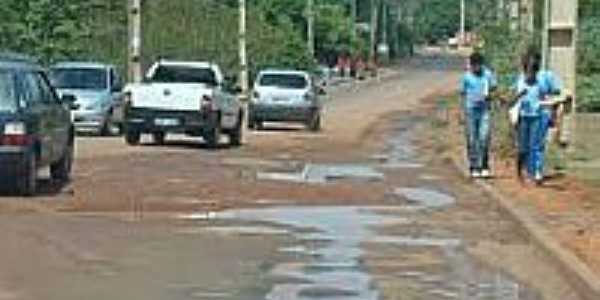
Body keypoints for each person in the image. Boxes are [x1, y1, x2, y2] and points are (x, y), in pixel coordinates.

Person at [514, 52, 561, 184]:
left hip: (536, 117)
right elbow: (514, 99)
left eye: (533, 73)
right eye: (529, 72)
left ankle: (535, 172)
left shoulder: (540, 83)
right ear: (525, 71)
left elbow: (547, 98)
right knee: (523, 147)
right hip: (523, 118)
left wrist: (551, 110)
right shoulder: (521, 81)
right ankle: (521, 169)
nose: (531, 75)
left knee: (535, 145)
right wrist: (520, 96)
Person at [461, 53, 498, 178]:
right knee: (472, 139)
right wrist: (463, 111)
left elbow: (494, 88)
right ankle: (474, 165)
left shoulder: (487, 75)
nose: (476, 68)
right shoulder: (467, 77)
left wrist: (490, 95)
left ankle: (484, 165)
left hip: (484, 110)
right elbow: (463, 93)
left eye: (478, 65)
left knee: (484, 137)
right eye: (473, 66)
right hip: (471, 110)